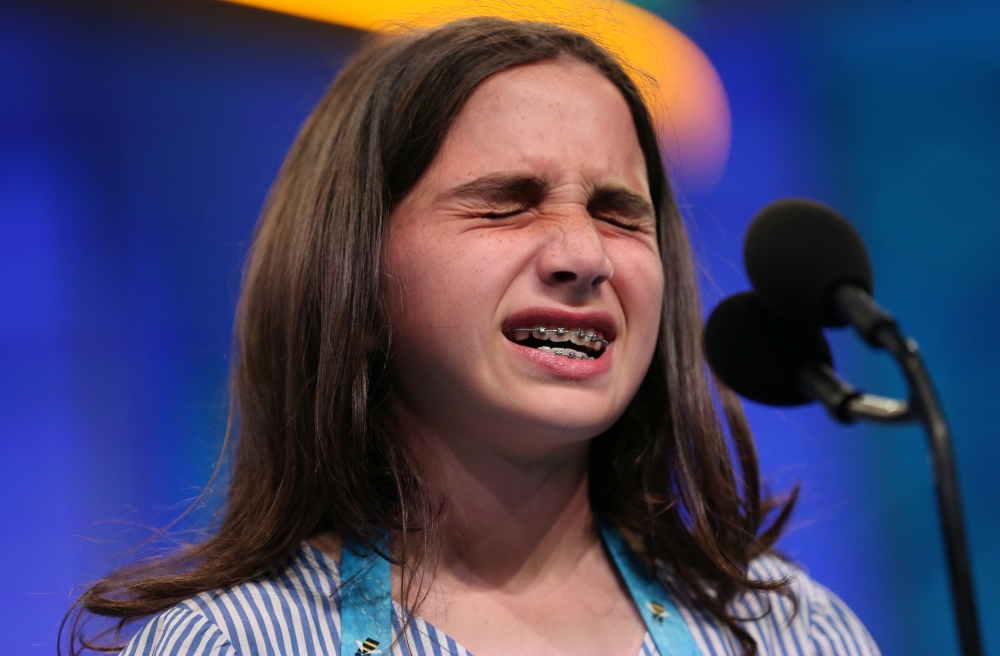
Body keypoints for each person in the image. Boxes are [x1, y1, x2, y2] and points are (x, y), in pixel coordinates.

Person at [64, 17, 879, 656]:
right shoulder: (233, 645)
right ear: (356, 269)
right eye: (508, 202)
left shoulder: (789, 632)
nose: (582, 255)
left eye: (616, 213)